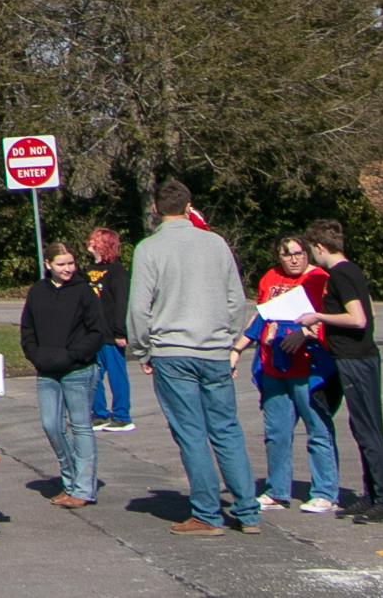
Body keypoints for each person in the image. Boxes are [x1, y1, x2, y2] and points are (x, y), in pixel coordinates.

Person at [129, 178, 259, 536]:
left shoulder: (149, 248)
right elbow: (236, 298)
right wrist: (230, 339)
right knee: (226, 429)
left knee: (190, 432)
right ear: (189, 207)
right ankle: (247, 511)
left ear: (156, 209)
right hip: (214, 348)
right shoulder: (216, 244)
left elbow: (139, 308)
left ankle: (206, 512)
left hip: (172, 349)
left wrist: (142, 349)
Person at [304, 220, 383, 524]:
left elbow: (359, 319)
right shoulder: (350, 271)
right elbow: (370, 309)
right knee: (360, 428)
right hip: (350, 358)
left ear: (320, 247)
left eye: (312, 250)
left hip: (357, 359)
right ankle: (370, 495)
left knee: (369, 429)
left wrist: (319, 315)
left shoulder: (342, 273)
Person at [245, 234, 338, 514]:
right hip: (273, 365)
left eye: (299, 253)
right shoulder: (269, 278)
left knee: (318, 431)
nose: (294, 259)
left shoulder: (320, 278)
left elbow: (330, 320)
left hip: (309, 368)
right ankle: (277, 491)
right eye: (287, 255)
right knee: (276, 432)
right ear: (278, 256)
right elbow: (261, 315)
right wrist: (238, 348)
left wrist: (306, 334)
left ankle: (325, 492)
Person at [19, 240, 106, 507]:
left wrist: (73, 355)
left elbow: (97, 331)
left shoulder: (85, 291)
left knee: (80, 427)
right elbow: (27, 329)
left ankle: (82, 488)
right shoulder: (37, 291)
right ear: (48, 265)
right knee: (51, 425)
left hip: (79, 370)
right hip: (47, 370)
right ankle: (69, 480)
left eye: (71, 263)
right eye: (61, 264)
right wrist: (36, 354)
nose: (67, 268)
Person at [84, 227, 136, 431]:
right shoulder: (88, 269)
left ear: (104, 243)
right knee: (93, 374)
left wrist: (120, 331)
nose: (89, 243)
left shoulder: (117, 271)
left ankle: (122, 416)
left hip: (111, 335)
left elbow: (121, 303)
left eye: (93, 240)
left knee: (116, 374)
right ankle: (99, 413)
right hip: (93, 333)